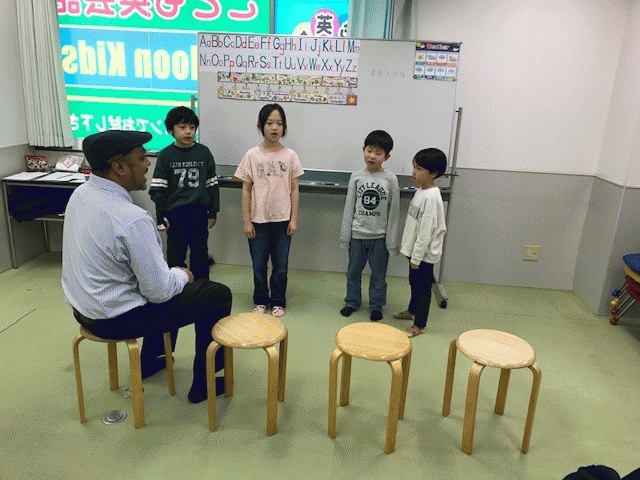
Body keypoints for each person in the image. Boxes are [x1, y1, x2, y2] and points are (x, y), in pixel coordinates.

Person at [61, 130, 231, 404]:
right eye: (141, 158)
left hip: (83, 311)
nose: (147, 164)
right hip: (115, 320)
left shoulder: (80, 195)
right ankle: (205, 383)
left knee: (154, 285)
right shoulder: (132, 219)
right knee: (216, 294)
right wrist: (182, 275)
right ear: (119, 167)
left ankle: (151, 360)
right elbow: (159, 292)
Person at [233, 103, 304, 317]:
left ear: (284, 127)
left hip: (283, 220)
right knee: (259, 265)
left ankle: (278, 300)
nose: (275, 128)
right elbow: (246, 189)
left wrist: (293, 219)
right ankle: (261, 299)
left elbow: (294, 189)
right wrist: (246, 221)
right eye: (270, 123)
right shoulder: (252, 155)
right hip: (258, 220)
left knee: (281, 265)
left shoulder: (290, 155)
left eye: (279, 124)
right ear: (260, 126)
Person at [149, 106, 219, 282]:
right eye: (182, 127)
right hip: (175, 213)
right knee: (175, 253)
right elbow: (159, 188)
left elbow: (212, 184)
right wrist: (160, 215)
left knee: (200, 252)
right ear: (171, 129)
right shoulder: (166, 155)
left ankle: (202, 287)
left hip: (198, 211)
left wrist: (213, 212)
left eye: (192, 127)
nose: (188, 132)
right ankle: (176, 288)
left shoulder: (203, 152)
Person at [339, 130, 400, 321]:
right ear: (363, 149)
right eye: (369, 150)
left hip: (379, 238)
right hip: (357, 236)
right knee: (353, 272)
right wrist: (345, 237)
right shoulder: (356, 177)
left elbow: (394, 211)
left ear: (387, 157)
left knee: (379, 276)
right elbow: (349, 208)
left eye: (378, 153)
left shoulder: (390, 179)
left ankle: (376, 305)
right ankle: (352, 302)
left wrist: (391, 241)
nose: (372, 156)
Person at [394, 148, 447, 338]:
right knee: (414, 284)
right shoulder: (421, 191)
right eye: (414, 167)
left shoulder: (432, 197)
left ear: (433, 173)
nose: (413, 172)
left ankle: (419, 325)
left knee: (423, 289)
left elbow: (425, 232)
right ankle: (412, 311)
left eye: (419, 169)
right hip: (415, 252)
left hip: (423, 256)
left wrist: (416, 257)